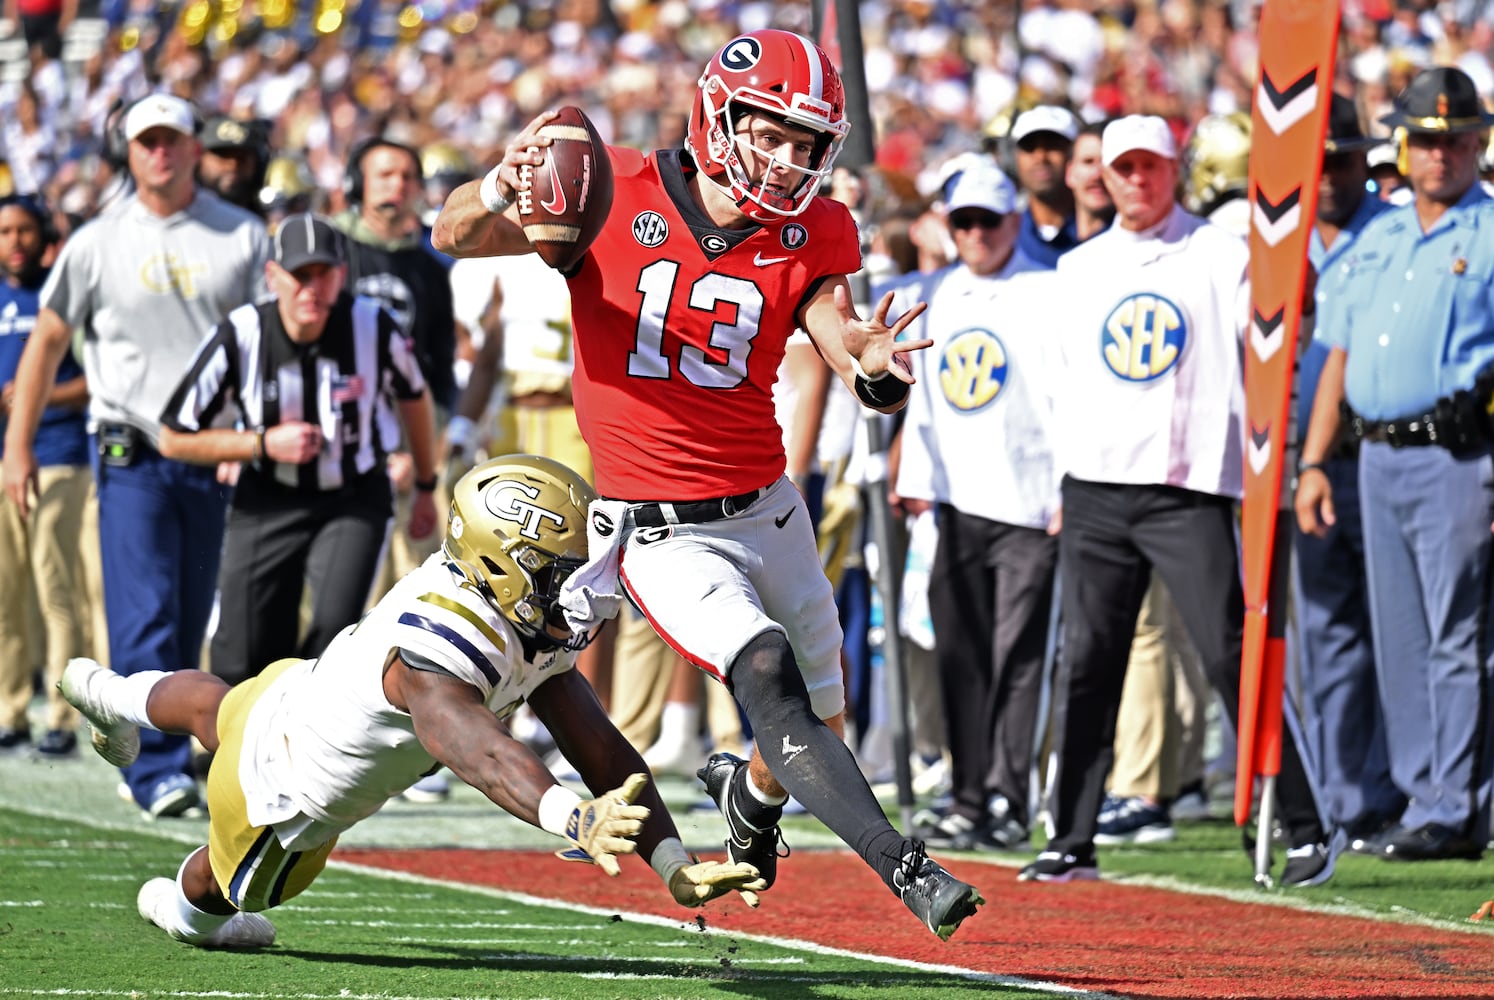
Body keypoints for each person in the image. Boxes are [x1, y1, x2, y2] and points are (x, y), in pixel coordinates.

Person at [432, 29, 983, 940]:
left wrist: (877, 368)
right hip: (658, 528)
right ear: (718, 114)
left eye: (805, 143)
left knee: (813, 730)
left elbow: (841, 341)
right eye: (771, 132)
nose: (787, 158)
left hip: (769, 507)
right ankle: (908, 869)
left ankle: (751, 797)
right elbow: (454, 233)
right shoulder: (609, 188)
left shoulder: (817, 226)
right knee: (765, 673)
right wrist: (501, 184)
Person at [59, 454, 765, 949]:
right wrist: (570, 815)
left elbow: (600, 747)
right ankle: (171, 908)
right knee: (231, 896)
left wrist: (671, 860)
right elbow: (475, 746)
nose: (584, 590)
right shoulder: (443, 648)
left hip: (296, 692)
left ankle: (107, 692)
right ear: (504, 566)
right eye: (563, 572)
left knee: (221, 710)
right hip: (280, 795)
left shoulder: (512, 610)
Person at [1023, 114, 1339, 888]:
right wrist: (1056, 486)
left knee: (1232, 652)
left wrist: (1294, 286)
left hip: (1187, 487)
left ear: (1174, 171)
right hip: (1096, 487)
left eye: (1150, 167)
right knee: (1088, 664)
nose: (1136, 180)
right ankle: (1072, 837)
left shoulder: (1223, 255)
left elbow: (1274, 339)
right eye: (1123, 168)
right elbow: (1059, 380)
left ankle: (1304, 824)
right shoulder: (1080, 267)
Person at [2, 94, 271, 819]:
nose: (160, 152)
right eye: (147, 140)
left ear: (193, 148)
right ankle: (157, 769)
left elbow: (263, 345)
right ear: (129, 150)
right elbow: (47, 342)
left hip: (214, 451)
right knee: (146, 609)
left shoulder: (241, 234)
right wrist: (17, 447)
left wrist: (249, 433)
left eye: (173, 139)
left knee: (189, 618)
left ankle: (156, 746)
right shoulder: (95, 240)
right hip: (130, 447)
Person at [1296, 66, 1494, 863]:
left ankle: (1456, 802)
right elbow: (1336, 354)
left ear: (1478, 143)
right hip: (1372, 455)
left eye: (1455, 140)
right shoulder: (1374, 235)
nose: (1440, 155)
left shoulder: (1488, 231)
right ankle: (1420, 796)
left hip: (1458, 453)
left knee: (1457, 634)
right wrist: (1313, 463)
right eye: (1426, 140)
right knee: (1402, 635)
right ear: (1403, 147)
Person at [158, 212, 439, 687]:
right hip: (267, 497)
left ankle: (308, 744)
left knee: (336, 629)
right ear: (273, 277)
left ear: (341, 276)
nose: (311, 287)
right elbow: (172, 436)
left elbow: (415, 395)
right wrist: (260, 443)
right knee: (242, 647)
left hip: (353, 495)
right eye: (299, 275)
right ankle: (230, 751)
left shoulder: (372, 325)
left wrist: (428, 484)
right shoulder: (242, 333)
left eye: (323, 273)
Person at [891, 164, 1058, 852]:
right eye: (964, 222)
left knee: (1018, 656)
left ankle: (1008, 795)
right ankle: (967, 794)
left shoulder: (1050, 291)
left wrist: (1063, 492)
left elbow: (1067, 395)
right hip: (955, 503)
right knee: (959, 655)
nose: (977, 234)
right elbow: (921, 398)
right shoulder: (931, 294)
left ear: (1013, 223)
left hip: (1029, 502)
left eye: (989, 221)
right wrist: (915, 476)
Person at [1291, 93, 1401, 855]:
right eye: (1318, 161)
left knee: (1404, 629)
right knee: (1325, 631)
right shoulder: (1276, 243)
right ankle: (1343, 794)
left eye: (1344, 158)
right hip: (1299, 464)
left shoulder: (1396, 233)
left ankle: (1409, 790)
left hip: (1384, 449)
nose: (1330, 174)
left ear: (1368, 160)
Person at [0, 192, 90, 757]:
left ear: (44, 236)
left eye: (23, 231)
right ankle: (11, 710)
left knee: (56, 590)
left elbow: (96, 380)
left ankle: (61, 717)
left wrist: (39, 395)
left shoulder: (64, 294)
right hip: (4, 459)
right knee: (6, 594)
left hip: (59, 454)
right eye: (4, 232)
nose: (14, 242)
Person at [1009, 105, 1081, 269]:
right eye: (1029, 147)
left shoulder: (1103, 229)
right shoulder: (1000, 234)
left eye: (1053, 145)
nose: (1040, 157)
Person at [197, 115, 272, 220]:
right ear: (198, 158)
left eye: (242, 157)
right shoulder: (177, 215)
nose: (232, 166)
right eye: (223, 155)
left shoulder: (267, 221)